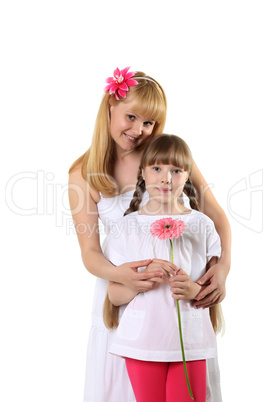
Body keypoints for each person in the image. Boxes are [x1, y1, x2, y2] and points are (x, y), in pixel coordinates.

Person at [68, 67, 231, 401]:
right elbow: (90, 252)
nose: (138, 130)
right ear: (109, 107)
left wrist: (223, 268)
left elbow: (213, 215)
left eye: (149, 123)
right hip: (126, 299)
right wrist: (122, 276)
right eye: (131, 116)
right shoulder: (82, 175)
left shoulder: (163, 159)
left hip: (176, 304)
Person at [103, 134, 224, 402]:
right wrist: (140, 280)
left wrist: (194, 289)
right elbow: (113, 295)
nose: (165, 178)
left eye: (176, 171)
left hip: (189, 342)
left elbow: (214, 284)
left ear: (188, 174)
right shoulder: (127, 227)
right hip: (142, 342)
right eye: (157, 168)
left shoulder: (202, 225)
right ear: (143, 172)